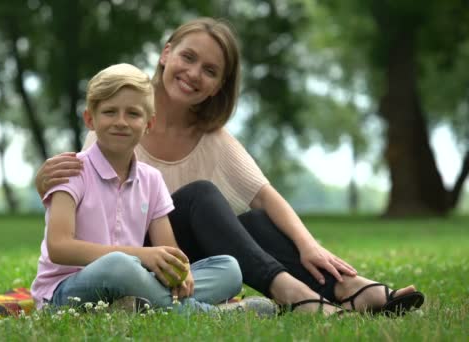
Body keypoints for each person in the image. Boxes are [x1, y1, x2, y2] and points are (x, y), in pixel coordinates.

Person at [34, 18, 424, 315]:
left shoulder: (210, 138)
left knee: (252, 226)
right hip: (119, 260)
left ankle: (345, 288)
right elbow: (79, 197)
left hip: (167, 262)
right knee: (201, 195)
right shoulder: (118, 114)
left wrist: (310, 246)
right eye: (188, 57)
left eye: (210, 70)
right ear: (166, 53)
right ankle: (285, 296)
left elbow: (266, 197)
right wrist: (45, 184)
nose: (193, 74)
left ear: (218, 85)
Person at [31, 63, 274, 315]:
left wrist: (180, 273)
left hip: (134, 281)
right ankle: (205, 314)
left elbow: (168, 252)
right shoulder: (70, 170)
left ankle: (138, 306)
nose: (121, 122)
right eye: (110, 112)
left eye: (133, 114)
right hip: (65, 291)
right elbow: (59, 247)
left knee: (230, 269)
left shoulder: (151, 179)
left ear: (149, 123)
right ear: (90, 119)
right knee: (118, 266)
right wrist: (142, 256)